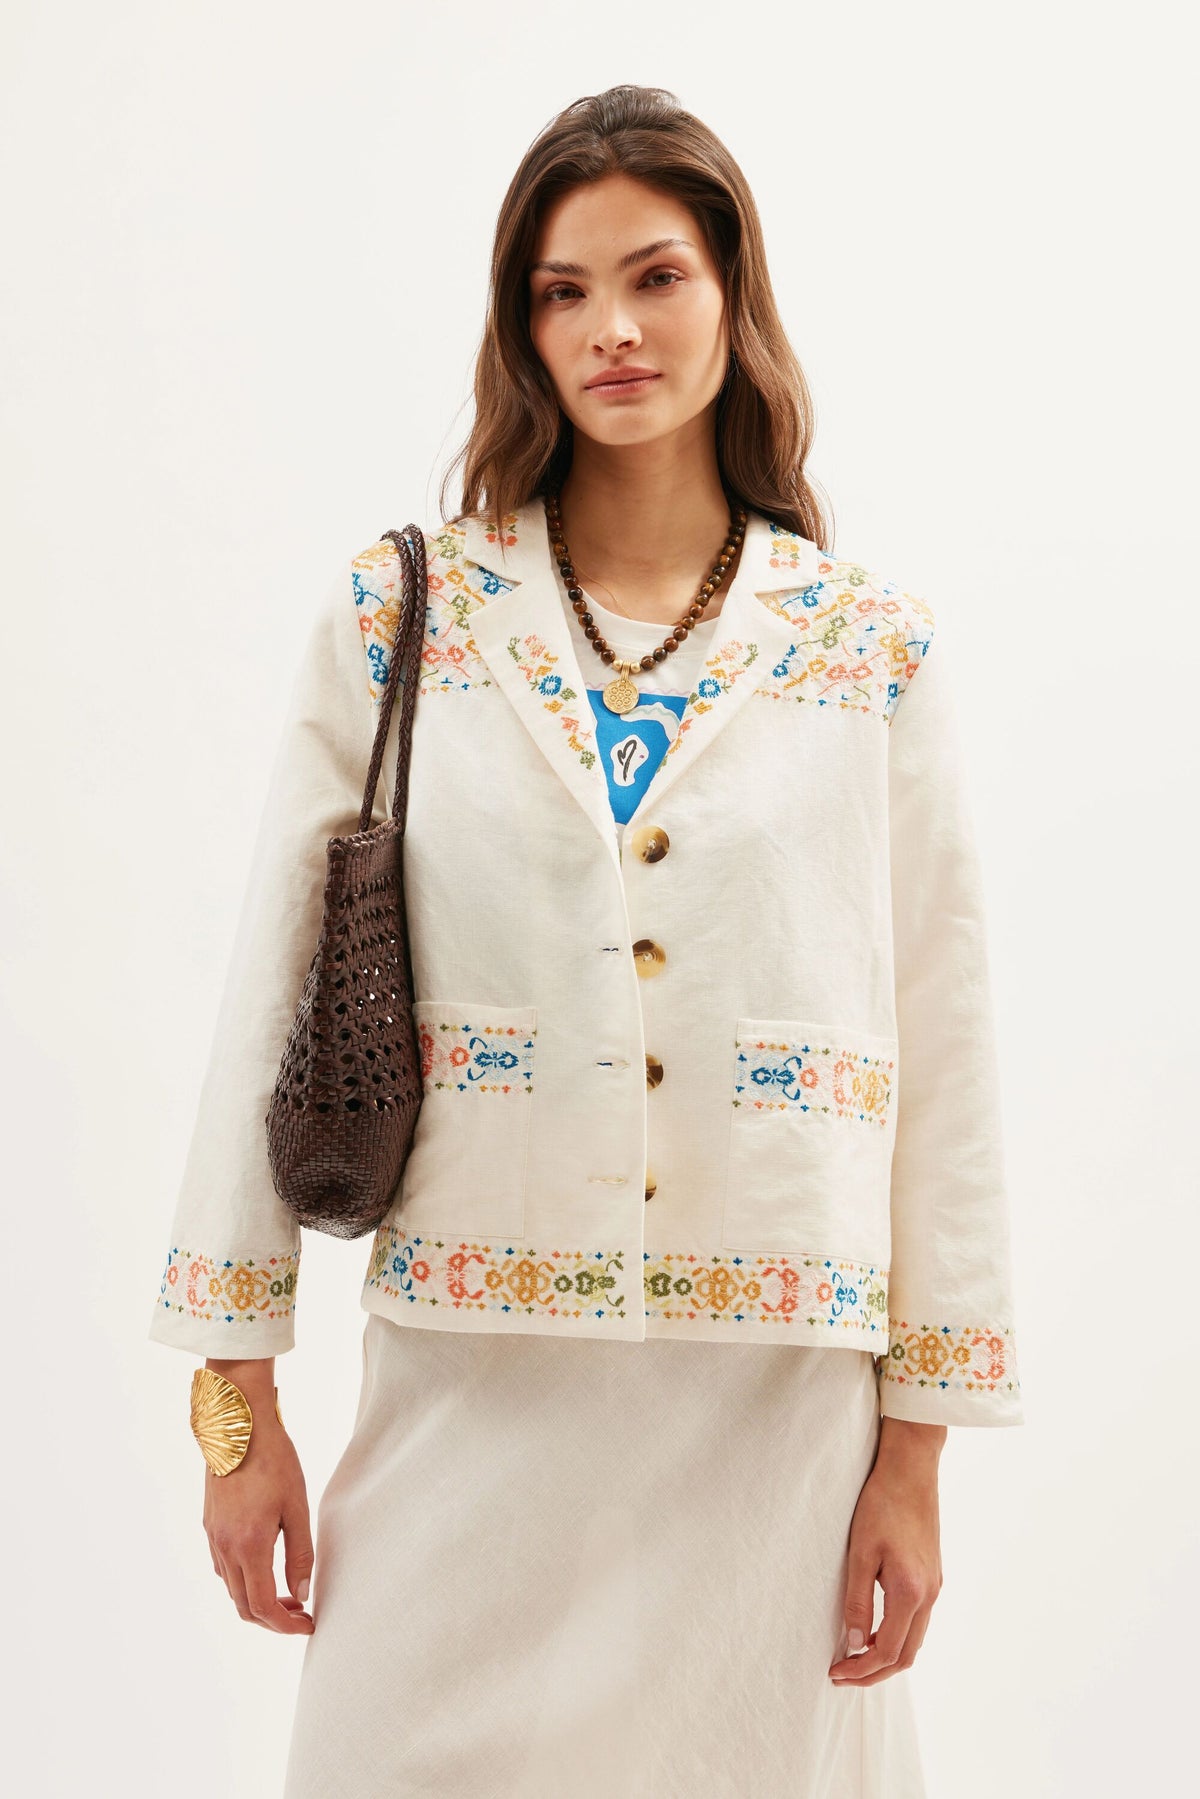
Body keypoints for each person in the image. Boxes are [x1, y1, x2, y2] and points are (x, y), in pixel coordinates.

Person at [148, 83, 1024, 1797]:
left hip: (772, 1417)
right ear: (522, 328)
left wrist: (917, 1455)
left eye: (656, 276)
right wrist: (234, 1409)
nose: (612, 329)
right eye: (563, 291)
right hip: (469, 1390)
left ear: (732, 294)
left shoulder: (869, 648)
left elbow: (947, 1047)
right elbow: (271, 991)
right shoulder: (403, 616)